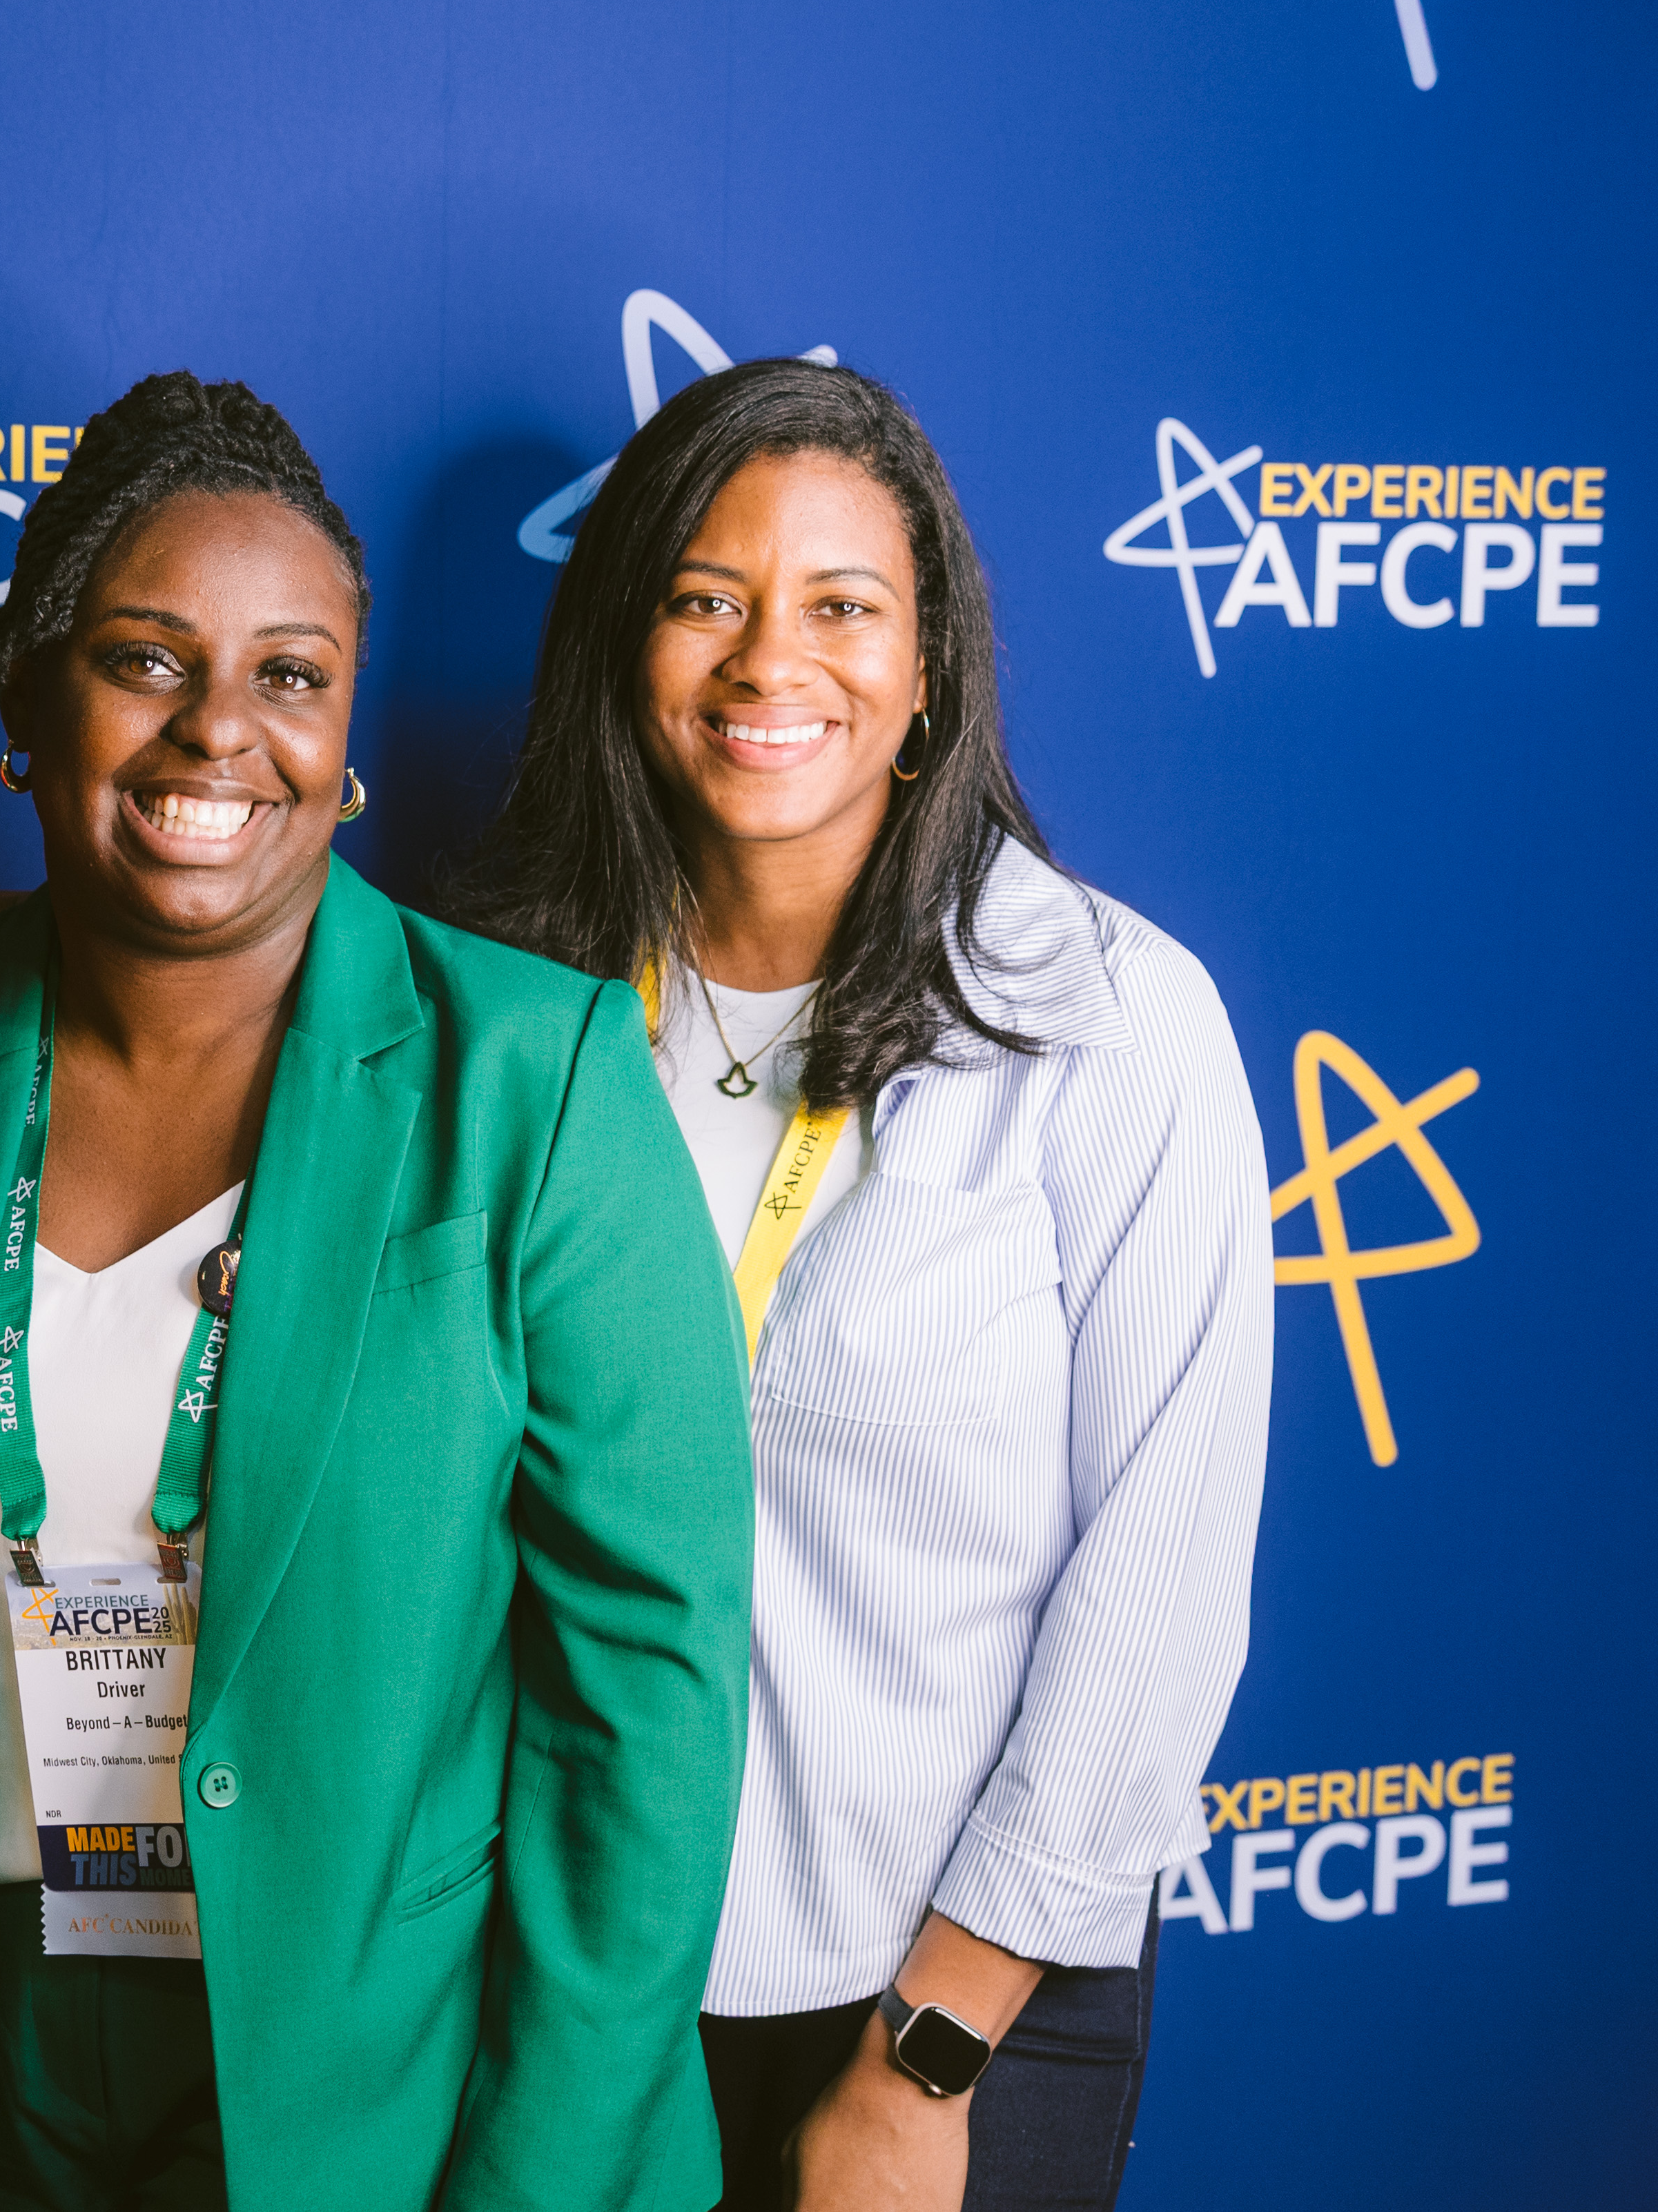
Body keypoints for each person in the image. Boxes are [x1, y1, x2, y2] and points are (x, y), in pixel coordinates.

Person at [0, 373, 754, 2210]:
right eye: (146, 660)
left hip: (382, 2067)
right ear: (24, 701)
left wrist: (533, 2181)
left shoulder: (531, 1081)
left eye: (288, 675)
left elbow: (644, 1703)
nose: (216, 732)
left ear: (347, 742)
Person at [449, 359, 1273, 2212]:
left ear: (924, 675)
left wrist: (927, 2047)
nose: (767, 662)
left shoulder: (1107, 1017)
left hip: (946, 1987)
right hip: (579, 1984)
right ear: (624, 647)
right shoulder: (512, 1013)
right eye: (703, 597)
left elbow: (1159, 1585)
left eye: (840, 606)